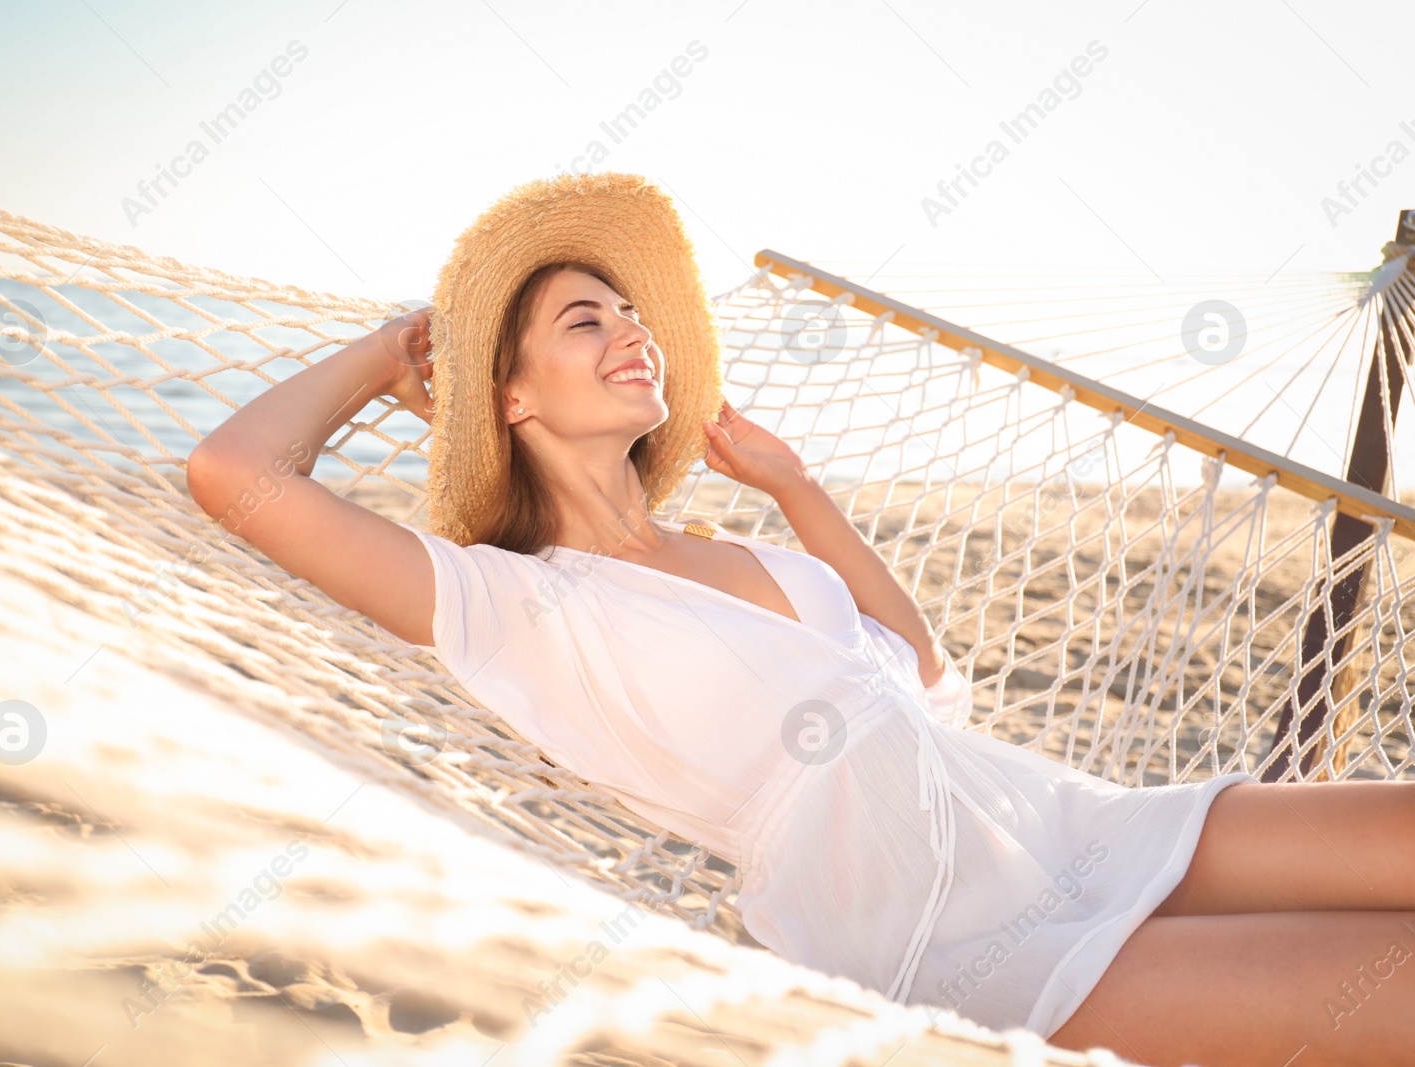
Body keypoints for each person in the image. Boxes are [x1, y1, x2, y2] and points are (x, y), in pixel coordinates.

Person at [186, 172, 1415, 1065]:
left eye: (629, 309)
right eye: (585, 319)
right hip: (949, 934)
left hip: (1058, 819)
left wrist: (797, 487)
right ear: (509, 396)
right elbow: (234, 478)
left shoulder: (751, 547)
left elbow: (925, 675)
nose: (631, 327)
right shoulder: (521, 601)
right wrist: (379, 351)